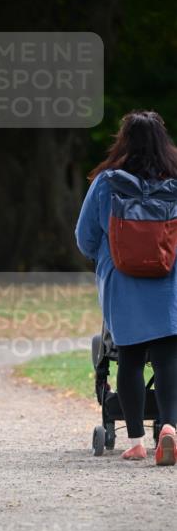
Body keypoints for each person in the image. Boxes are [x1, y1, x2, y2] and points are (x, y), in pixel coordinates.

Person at [75, 110, 177, 466]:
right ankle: (169, 429)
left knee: (130, 358)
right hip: (169, 282)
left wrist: (104, 256)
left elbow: (84, 237)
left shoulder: (106, 182)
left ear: (124, 141)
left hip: (122, 283)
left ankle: (134, 441)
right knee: (167, 358)